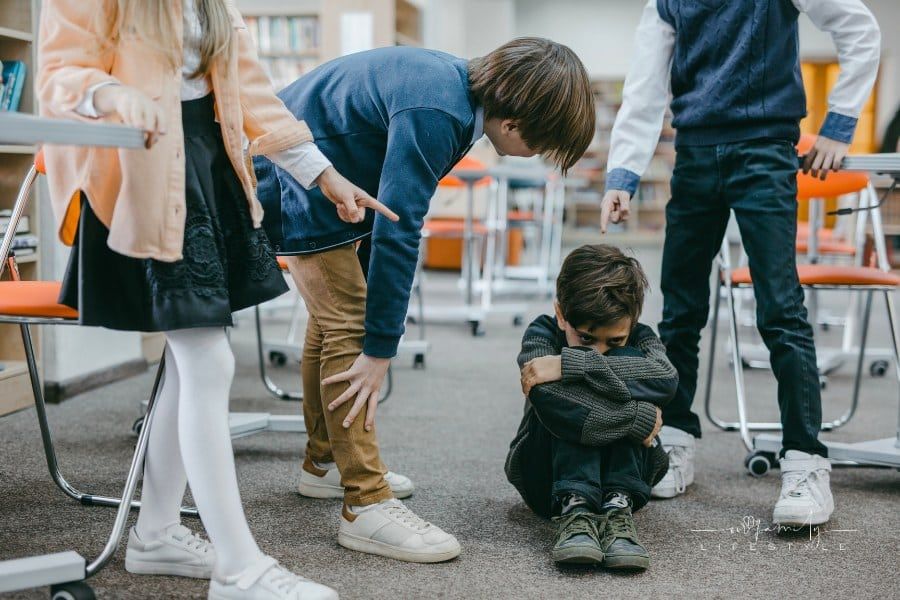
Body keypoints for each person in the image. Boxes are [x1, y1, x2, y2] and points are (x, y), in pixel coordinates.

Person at [38, 1, 394, 598]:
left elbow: (248, 92)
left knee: (190, 363)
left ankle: (154, 534)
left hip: (206, 161)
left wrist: (323, 175)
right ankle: (237, 568)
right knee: (207, 361)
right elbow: (59, 75)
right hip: (145, 166)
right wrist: (111, 95)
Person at [254, 38, 596, 563]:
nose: (540, 158)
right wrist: (380, 348)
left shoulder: (454, 91)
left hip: (316, 173)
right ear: (514, 123)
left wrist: (377, 330)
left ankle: (323, 464)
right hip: (292, 175)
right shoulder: (439, 110)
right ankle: (364, 502)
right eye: (543, 145)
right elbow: (400, 226)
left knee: (332, 321)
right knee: (348, 324)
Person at [600, 0, 881, 526]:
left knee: (781, 309)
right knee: (680, 312)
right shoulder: (666, 3)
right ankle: (676, 439)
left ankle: (804, 459)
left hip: (765, 152)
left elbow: (861, 29)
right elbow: (644, 86)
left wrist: (840, 122)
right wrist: (622, 175)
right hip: (696, 157)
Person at [505, 244, 676, 570]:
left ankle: (616, 507)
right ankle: (575, 507)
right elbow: (551, 401)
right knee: (564, 399)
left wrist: (576, 364)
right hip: (547, 478)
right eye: (585, 339)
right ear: (560, 314)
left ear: (633, 320)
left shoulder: (640, 337)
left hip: (628, 480)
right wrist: (636, 417)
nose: (600, 350)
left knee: (626, 363)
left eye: (614, 340)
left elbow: (665, 379)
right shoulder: (541, 333)